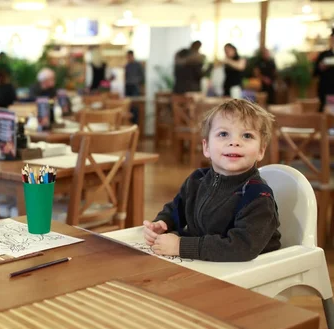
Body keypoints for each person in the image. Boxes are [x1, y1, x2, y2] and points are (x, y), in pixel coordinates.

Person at [143, 99, 280, 262]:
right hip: (208, 265)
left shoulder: (258, 196)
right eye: (223, 134)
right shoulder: (197, 179)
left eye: (247, 135)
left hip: (250, 273)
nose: (234, 142)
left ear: (261, 150)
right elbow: (177, 209)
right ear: (206, 147)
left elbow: (242, 247)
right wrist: (163, 223)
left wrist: (181, 246)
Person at [314, 28, 334, 111]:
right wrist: (321, 67)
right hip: (328, 91)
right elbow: (315, 72)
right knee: (329, 117)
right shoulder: (324, 55)